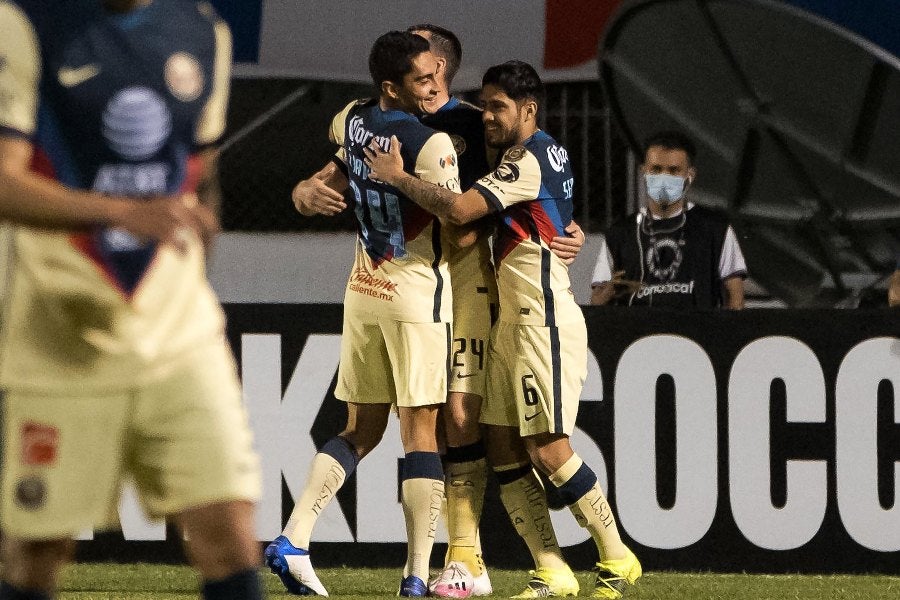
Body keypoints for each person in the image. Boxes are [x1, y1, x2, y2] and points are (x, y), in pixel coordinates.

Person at [279, 26, 584, 599]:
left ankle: (463, 560)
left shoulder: (475, 124)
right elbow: (329, 175)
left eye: (427, 58)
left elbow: (515, 191)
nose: (423, 68)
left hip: (463, 290)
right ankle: (445, 564)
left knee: (460, 417)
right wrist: (303, 190)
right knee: (420, 424)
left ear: (441, 65)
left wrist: (563, 227)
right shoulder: (369, 116)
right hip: (398, 286)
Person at [0, 1, 265, 599]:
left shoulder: (203, 33)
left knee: (229, 533)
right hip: (63, 338)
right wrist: (120, 212)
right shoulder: (25, 23)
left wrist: (196, 262)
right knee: (38, 553)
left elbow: (201, 173)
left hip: (179, 335)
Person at [365, 60, 642, 600]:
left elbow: (463, 210)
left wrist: (398, 178)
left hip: (542, 319)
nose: (487, 116)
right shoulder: (537, 152)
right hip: (510, 322)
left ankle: (617, 553)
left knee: (548, 448)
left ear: (528, 110)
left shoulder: (529, 157)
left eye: (498, 107)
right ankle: (552, 569)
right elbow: (550, 215)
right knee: (501, 444)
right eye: (485, 105)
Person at [264, 31, 460, 597]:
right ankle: (417, 576)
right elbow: (456, 215)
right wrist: (402, 180)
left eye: (435, 75)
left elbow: (335, 168)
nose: (433, 86)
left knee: (360, 429)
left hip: (363, 286)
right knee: (422, 433)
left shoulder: (353, 118)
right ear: (392, 87)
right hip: (414, 292)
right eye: (423, 80)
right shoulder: (432, 143)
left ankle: (294, 539)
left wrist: (308, 188)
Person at [589, 131, 747, 309]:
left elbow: (735, 298)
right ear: (644, 172)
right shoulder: (620, 233)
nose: (664, 177)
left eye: (673, 171)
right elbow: (597, 301)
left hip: (698, 333)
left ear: (690, 175)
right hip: (639, 334)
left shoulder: (715, 228)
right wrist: (611, 290)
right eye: (656, 169)